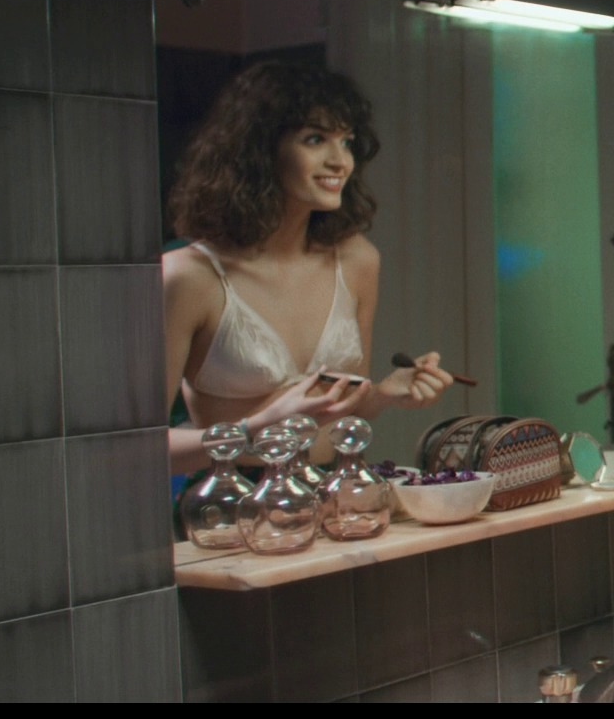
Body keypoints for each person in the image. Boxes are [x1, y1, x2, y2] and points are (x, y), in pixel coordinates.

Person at [163, 60, 454, 476]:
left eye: (347, 142)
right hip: (231, 499)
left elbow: (344, 405)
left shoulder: (357, 260)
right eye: (315, 139)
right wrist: (256, 428)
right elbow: (135, 448)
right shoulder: (188, 276)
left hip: (333, 491)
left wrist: (385, 394)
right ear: (259, 150)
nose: (340, 161)